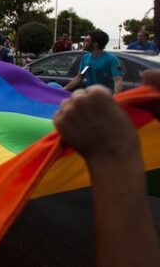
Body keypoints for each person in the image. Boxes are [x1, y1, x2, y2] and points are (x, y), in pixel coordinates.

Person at [53, 70, 160, 267]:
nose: (84, 41)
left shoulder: (109, 61)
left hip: (98, 109)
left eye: (87, 39)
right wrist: (65, 92)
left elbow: (118, 80)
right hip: (91, 106)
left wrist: (111, 153)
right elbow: (78, 78)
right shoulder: (86, 60)